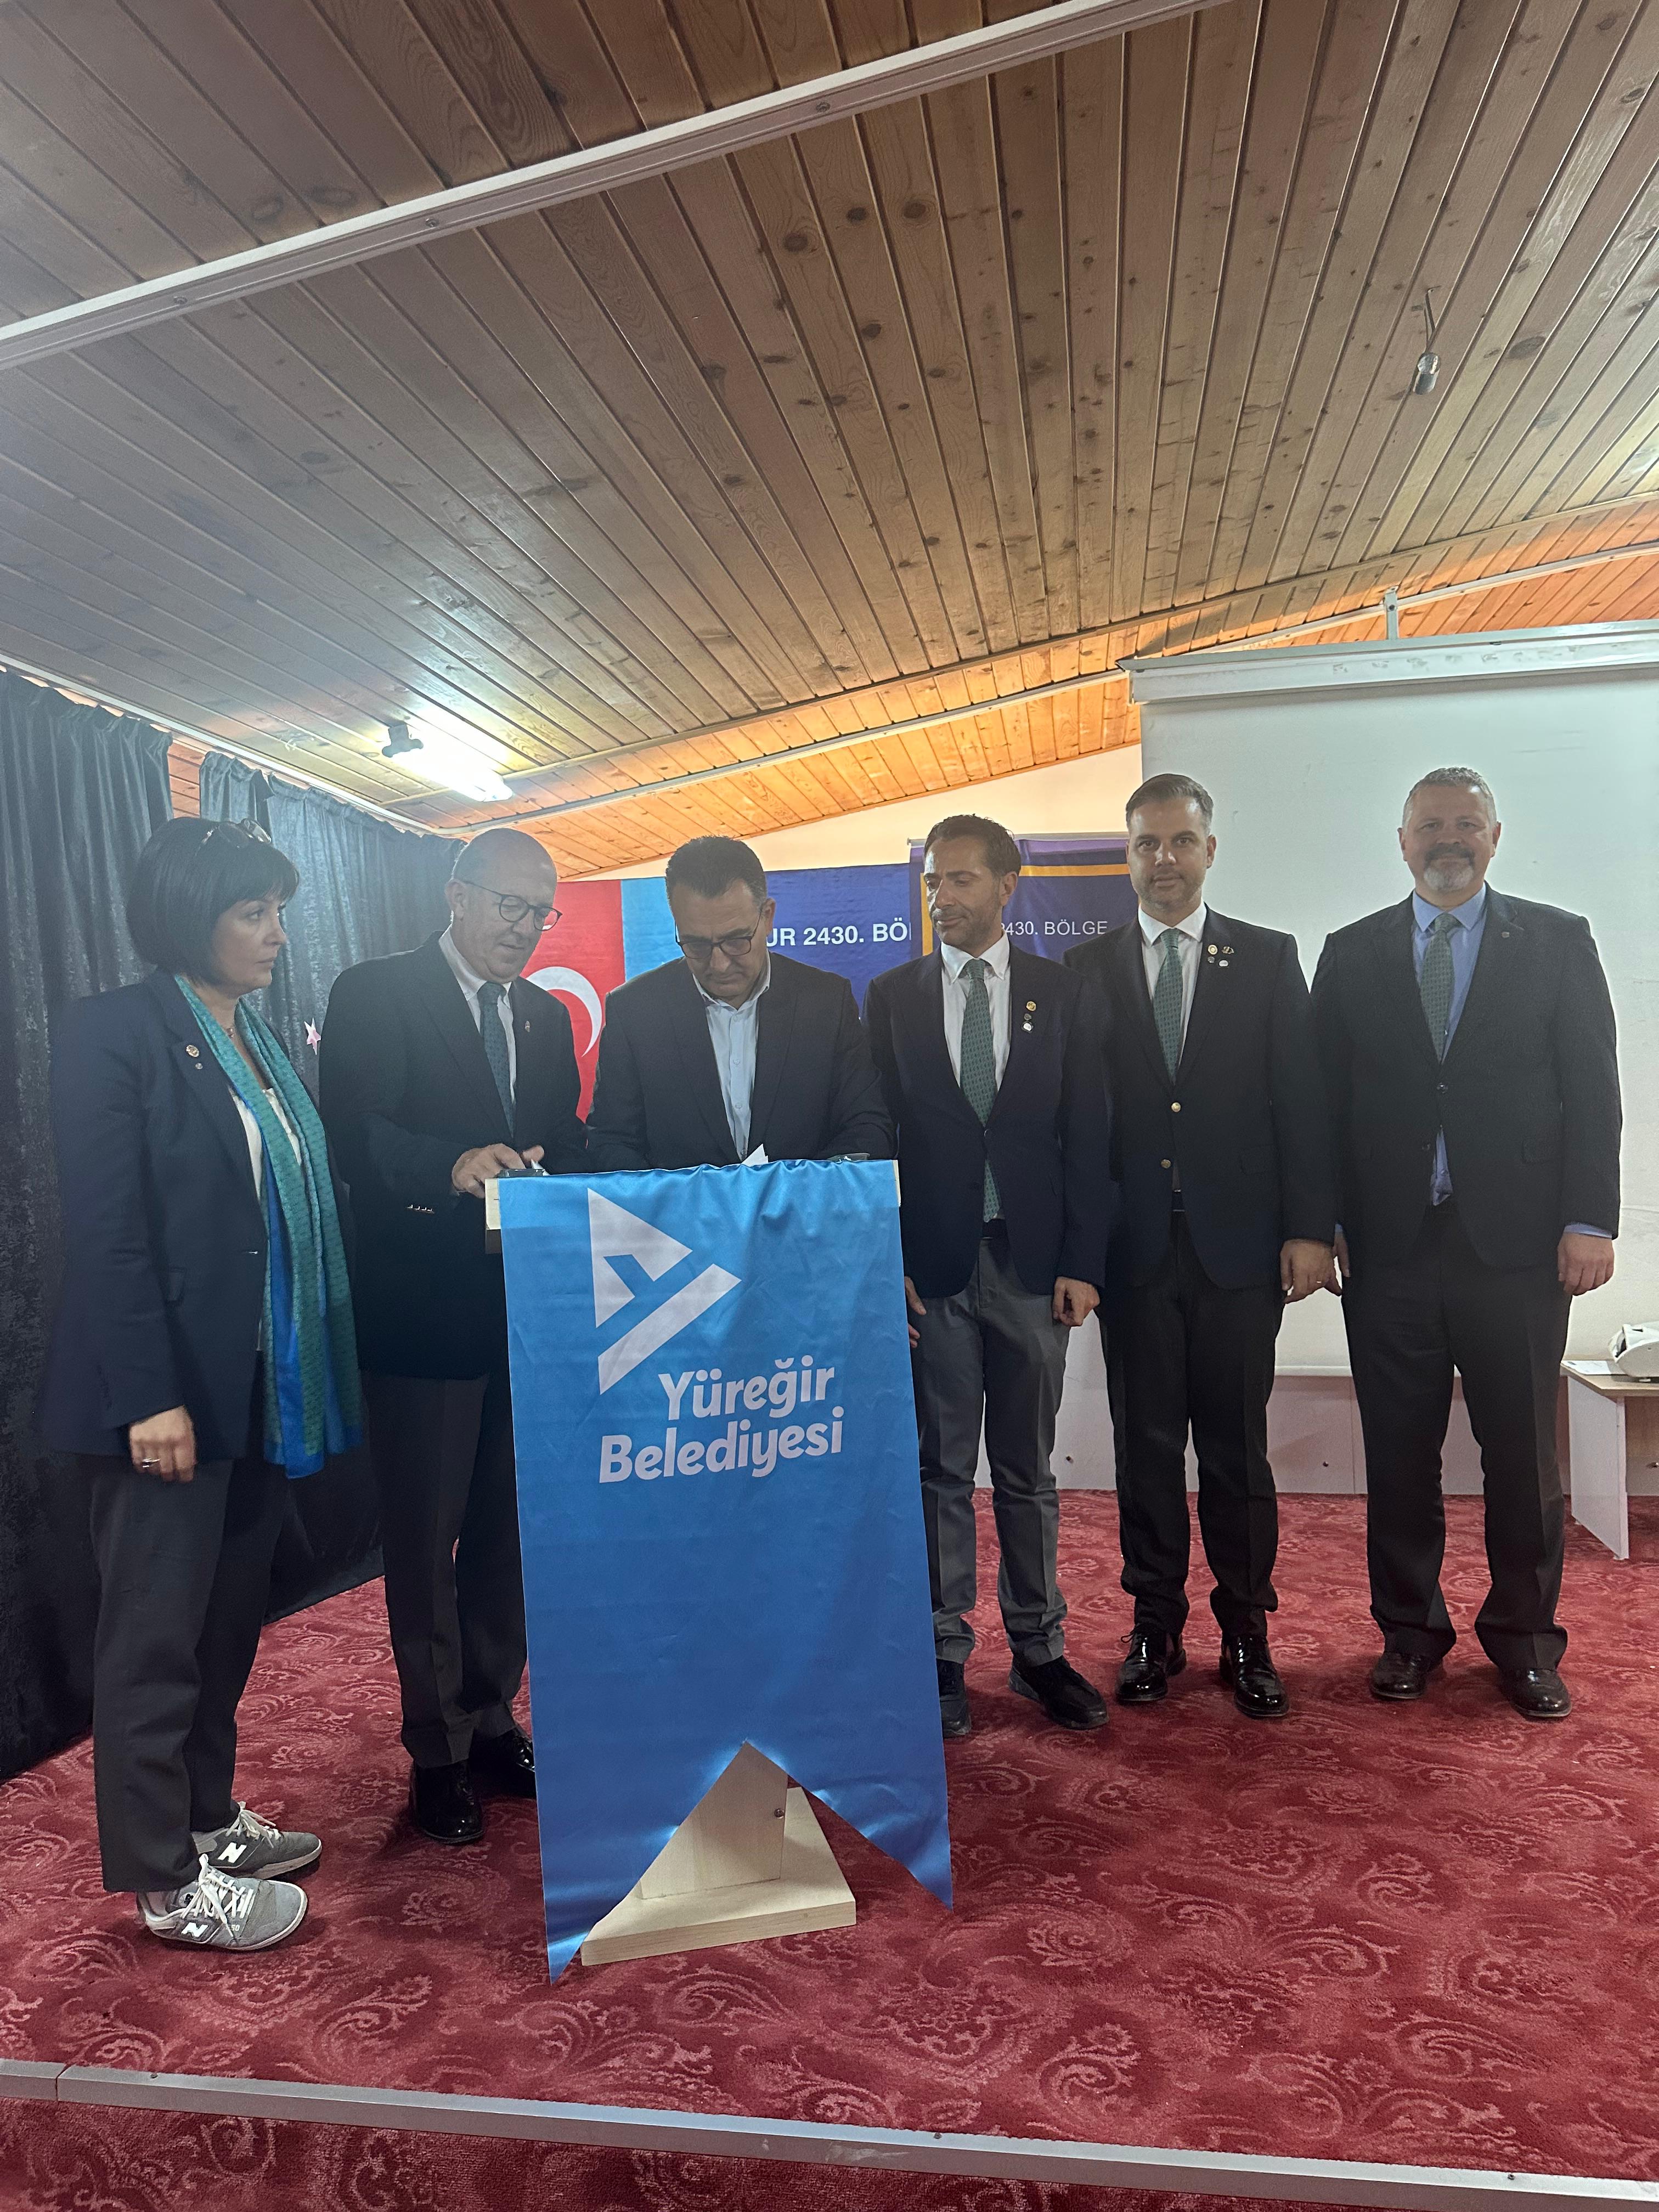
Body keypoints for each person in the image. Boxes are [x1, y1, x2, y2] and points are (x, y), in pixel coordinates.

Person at [38, 817, 361, 1951]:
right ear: (191, 917)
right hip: (165, 1399)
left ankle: (208, 1815)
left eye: (280, 911)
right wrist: (150, 1396)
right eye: (252, 913)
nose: (278, 934)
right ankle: (164, 1879)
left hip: (264, 1386)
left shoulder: (256, 1040)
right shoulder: (114, 1033)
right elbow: (111, 1232)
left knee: (225, 1623)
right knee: (154, 1639)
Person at [1311, 769, 1620, 1720]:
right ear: (1401, 841)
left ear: (1494, 836)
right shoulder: (1351, 951)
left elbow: (1591, 1087)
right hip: (1386, 1248)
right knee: (1398, 1455)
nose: (1447, 839)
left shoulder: (1556, 940)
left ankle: (1524, 1642)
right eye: (1430, 825)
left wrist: (1589, 1219)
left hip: (1519, 1249)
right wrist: (1319, 1219)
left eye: (1465, 824)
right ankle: (1409, 1634)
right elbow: (1321, 1101)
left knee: (1521, 1458)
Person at [319, 827, 585, 1843]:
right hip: (422, 1316)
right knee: (427, 1543)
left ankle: (490, 1717)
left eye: (539, 911)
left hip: (528, 1316)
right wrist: (452, 1163)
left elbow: (562, 1137)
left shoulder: (546, 1015)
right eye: (509, 905)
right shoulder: (375, 992)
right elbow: (354, 1134)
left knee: (508, 1536)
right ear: (457, 894)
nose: (525, 927)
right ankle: (435, 1749)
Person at [1065, 775, 1335, 1719]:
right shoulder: (1086, 969)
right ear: (1128, 855)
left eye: (1180, 841)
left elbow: (1300, 1101)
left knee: (1235, 1451)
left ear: (1209, 850)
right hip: (1134, 1252)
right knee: (1144, 1450)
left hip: (1239, 1252)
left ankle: (1246, 1630)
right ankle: (1155, 1627)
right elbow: (1080, 1124)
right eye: (1146, 843)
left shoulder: (1266, 957)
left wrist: (1309, 1228)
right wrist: (1079, 1252)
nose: (1164, 860)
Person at [865, 815, 1111, 1740]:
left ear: (1008, 885)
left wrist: (1082, 1263)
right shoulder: (891, 995)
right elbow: (876, 1137)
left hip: (1031, 1265)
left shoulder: (1062, 991)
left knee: (1025, 1470)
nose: (943, 897)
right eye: (934, 881)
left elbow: (1088, 1134)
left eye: (962, 879)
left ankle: (1039, 1650)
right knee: (938, 1468)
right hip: (930, 1270)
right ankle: (940, 1651)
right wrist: (884, 1260)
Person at [585, 835, 891, 1170]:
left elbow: (866, 1126)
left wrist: (799, 1190)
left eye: (736, 941)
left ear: (768, 917)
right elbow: (611, 1141)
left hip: (802, 1204)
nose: (719, 965)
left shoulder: (826, 1002)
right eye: (696, 944)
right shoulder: (634, 1011)